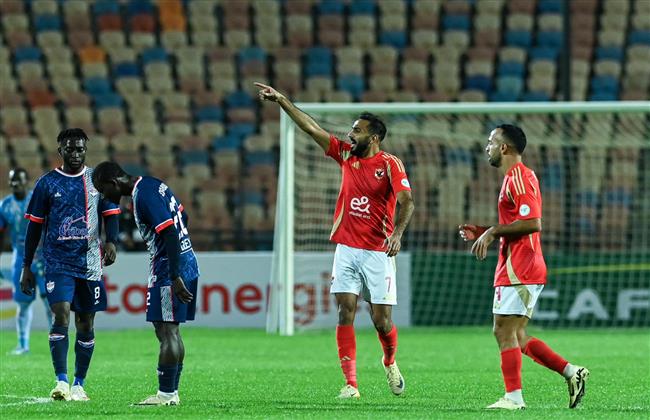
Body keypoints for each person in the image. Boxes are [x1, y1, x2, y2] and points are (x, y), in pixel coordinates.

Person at [255, 82, 415, 399]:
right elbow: (312, 129)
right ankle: (351, 384)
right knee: (345, 311)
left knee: (382, 320)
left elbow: (407, 200)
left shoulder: (390, 164)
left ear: (374, 137)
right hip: (346, 248)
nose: (350, 135)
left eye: (357, 131)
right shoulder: (344, 154)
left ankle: (390, 361)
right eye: (351, 130)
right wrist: (284, 102)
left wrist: (397, 233)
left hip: (378, 251)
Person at [458, 124, 589, 410]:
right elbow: (517, 223)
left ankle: (514, 398)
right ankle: (571, 372)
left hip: (521, 265)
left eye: (491, 141)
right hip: (517, 263)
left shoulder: (520, 177)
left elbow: (533, 223)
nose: (487, 147)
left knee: (503, 331)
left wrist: (492, 231)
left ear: (504, 147)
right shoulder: (512, 178)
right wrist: (483, 230)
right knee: (515, 334)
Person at [20, 128, 120, 402]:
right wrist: (27, 266)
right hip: (57, 262)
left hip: (90, 263)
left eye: (80, 149)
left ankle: (79, 383)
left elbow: (111, 214)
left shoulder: (97, 181)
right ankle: (61, 381)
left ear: (85, 150)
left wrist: (111, 242)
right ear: (60, 150)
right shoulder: (47, 184)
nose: (75, 153)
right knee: (61, 314)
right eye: (70, 148)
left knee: (85, 323)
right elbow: (34, 228)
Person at [91, 161, 199, 406]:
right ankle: (171, 392)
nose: (104, 196)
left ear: (114, 183)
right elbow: (183, 216)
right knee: (168, 329)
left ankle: (166, 394)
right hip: (185, 258)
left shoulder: (143, 197)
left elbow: (169, 232)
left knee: (166, 330)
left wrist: (174, 275)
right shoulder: (153, 184)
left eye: (103, 189)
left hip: (169, 267)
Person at [0, 168, 52, 355]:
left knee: (51, 304)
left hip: (44, 258)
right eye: (13, 181)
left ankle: (56, 341)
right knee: (22, 304)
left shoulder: (38, 199)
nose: (16, 185)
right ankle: (23, 345)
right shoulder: (4, 206)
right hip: (20, 260)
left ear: (26, 181)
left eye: (19, 181)